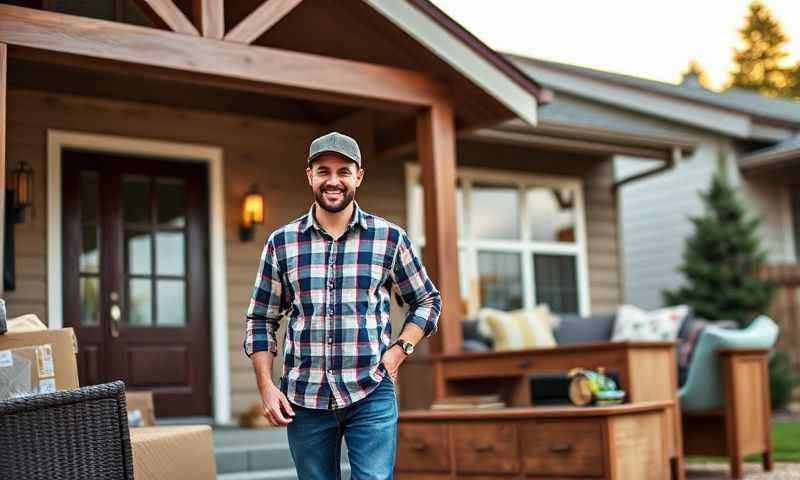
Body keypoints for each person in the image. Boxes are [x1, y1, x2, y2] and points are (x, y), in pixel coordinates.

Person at [244, 131, 441, 479]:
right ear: (310, 176)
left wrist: (398, 351)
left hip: (371, 391)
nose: (333, 181)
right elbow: (261, 320)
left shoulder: (389, 238)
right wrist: (266, 386)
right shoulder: (282, 243)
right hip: (304, 399)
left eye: (343, 171)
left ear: (359, 176)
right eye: (323, 171)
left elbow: (426, 300)